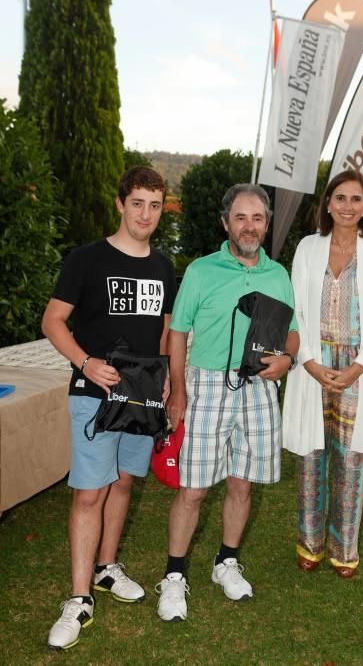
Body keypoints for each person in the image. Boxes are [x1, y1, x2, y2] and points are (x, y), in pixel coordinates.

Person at [42, 166, 177, 650]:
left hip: (141, 396)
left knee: (123, 484)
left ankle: (106, 568)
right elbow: (53, 320)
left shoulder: (163, 267)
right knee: (88, 493)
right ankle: (79, 598)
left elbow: (163, 330)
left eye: (155, 206)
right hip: (93, 395)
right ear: (121, 204)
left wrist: (164, 377)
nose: (146, 214)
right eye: (138, 203)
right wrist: (85, 362)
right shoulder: (86, 259)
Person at [156, 183, 299, 622]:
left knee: (242, 482)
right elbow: (177, 332)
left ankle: (225, 562)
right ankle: (174, 576)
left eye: (257, 218)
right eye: (241, 217)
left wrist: (288, 358)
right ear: (226, 223)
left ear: (267, 223)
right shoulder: (200, 270)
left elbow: (291, 328)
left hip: (258, 387)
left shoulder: (278, 274)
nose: (249, 226)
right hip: (207, 385)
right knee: (194, 488)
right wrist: (177, 389)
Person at [282, 170, 363, 579]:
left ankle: (344, 548)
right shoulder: (308, 248)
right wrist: (309, 361)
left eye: (357, 199)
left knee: (352, 457)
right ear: (327, 203)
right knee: (311, 455)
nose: (349, 206)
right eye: (341, 198)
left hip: (357, 365)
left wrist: (358, 366)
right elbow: (294, 308)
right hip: (313, 361)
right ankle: (309, 542)